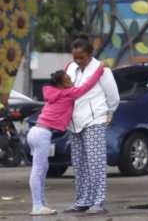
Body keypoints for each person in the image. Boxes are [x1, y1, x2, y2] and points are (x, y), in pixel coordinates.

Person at [28, 66, 109, 215]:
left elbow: (62, 77)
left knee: (42, 169)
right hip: (42, 135)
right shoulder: (68, 93)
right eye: (67, 80)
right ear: (61, 85)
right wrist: (99, 70)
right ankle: (37, 206)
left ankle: (41, 203)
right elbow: (87, 86)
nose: (71, 81)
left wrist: (68, 66)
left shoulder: (53, 92)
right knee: (38, 170)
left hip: (34, 132)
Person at [64, 33, 120, 215]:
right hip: (74, 122)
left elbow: (113, 97)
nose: (78, 61)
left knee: (95, 162)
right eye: (75, 57)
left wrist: (107, 114)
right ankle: (82, 201)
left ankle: (98, 202)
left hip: (94, 120)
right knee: (79, 163)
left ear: (90, 54)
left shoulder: (102, 69)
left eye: (82, 57)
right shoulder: (71, 68)